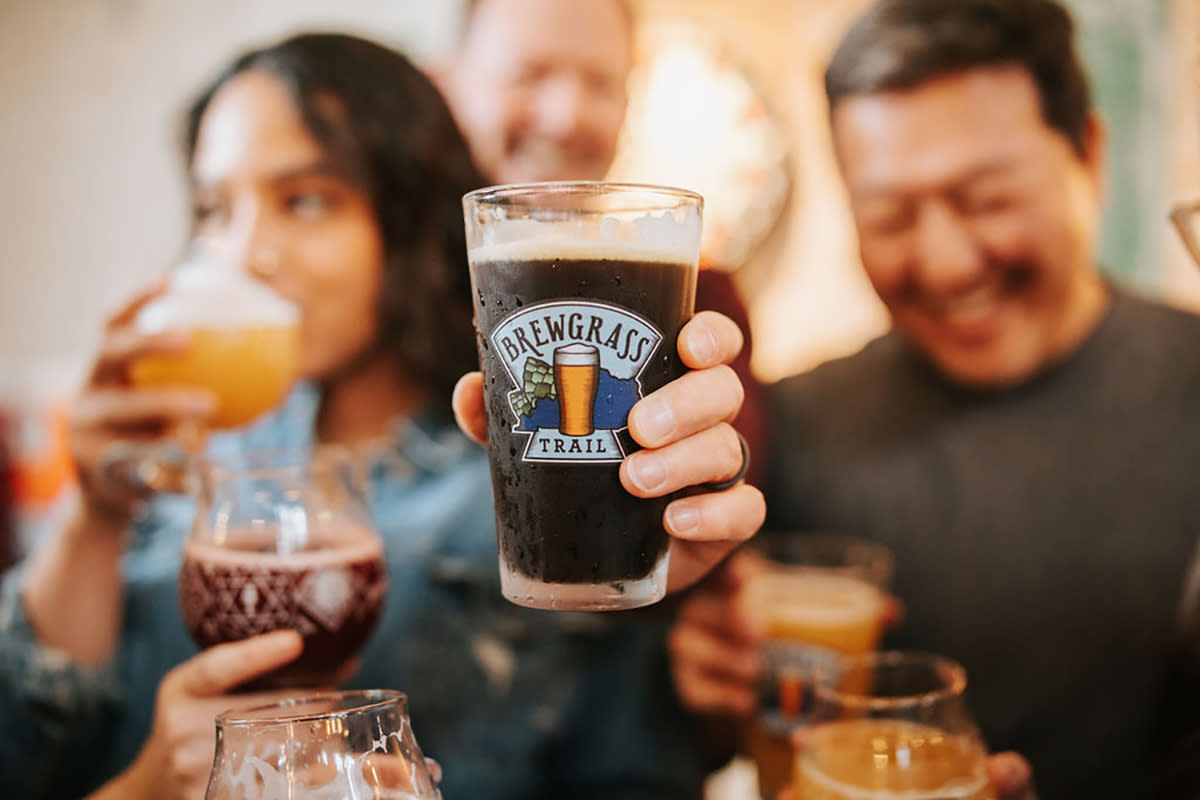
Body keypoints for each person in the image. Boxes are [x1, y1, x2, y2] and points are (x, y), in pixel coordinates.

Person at [0, 33, 760, 800]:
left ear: (408, 218)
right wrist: (95, 515)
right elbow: (25, 757)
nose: (244, 251)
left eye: (303, 200)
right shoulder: (185, 440)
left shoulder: (536, 479)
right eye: (213, 208)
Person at [667, 1, 1200, 798]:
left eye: (987, 200)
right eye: (889, 215)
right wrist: (705, 676)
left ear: (1089, 155)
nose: (946, 262)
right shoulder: (797, 421)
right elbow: (732, 719)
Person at [436, 0, 767, 486]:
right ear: (446, 83)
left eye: (601, 83)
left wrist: (712, 475)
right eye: (527, 73)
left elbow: (740, 490)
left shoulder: (698, 299)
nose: (567, 116)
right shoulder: (383, 287)